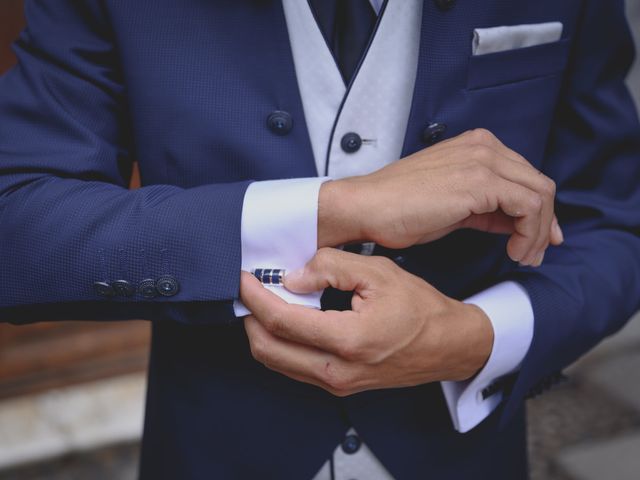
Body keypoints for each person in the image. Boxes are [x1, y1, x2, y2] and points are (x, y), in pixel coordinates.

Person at [0, 0, 639, 478]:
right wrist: (337, 207)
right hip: (215, 450)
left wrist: (476, 337)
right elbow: (17, 226)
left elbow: (614, 219)